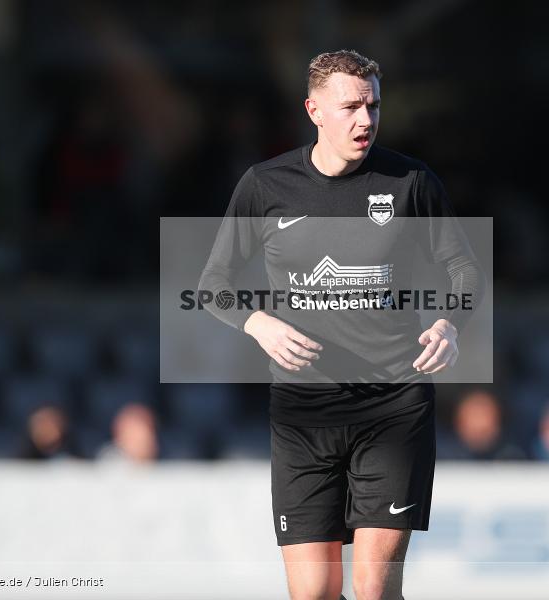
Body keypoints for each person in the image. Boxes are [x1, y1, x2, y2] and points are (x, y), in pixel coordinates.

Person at [198, 50, 484, 600]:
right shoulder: (265, 184)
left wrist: (450, 322)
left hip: (393, 405)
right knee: (314, 595)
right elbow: (214, 283)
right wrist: (258, 323)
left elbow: (464, 267)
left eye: (373, 105)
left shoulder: (410, 181)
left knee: (375, 589)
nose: (366, 119)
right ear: (314, 111)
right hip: (305, 412)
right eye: (350, 106)